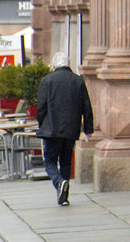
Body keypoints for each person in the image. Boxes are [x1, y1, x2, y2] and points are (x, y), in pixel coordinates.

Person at [36, 51, 94, 206]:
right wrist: (87, 129)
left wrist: (41, 124)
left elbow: (41, 107)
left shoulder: (46, 80)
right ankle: (64, 196)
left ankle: (59, 181)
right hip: (71, 129)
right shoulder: (78, 81)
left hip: (51, 129)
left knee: (49, 162)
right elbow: (86, 106)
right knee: (66, 162)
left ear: (54, 65)